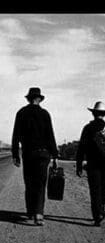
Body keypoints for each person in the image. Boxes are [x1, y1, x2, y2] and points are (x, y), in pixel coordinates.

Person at [11, 87, 58, 226]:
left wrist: (15, 154)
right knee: (41, 183)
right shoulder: (45, 114)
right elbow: (50, 135)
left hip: (28, 153)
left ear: (28, 98)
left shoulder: (21, 113)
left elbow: (16, 135)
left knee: (29, 183)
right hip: (43, 154)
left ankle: (30, 211)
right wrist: (55, 155)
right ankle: (39, 213)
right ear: (39, 99)